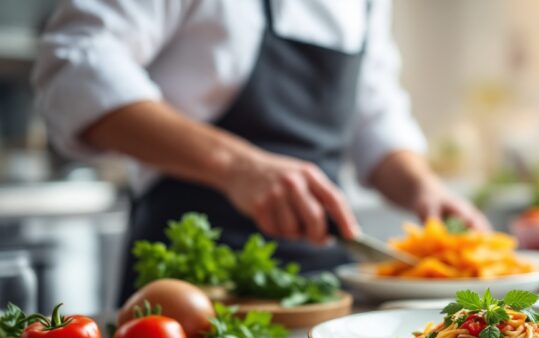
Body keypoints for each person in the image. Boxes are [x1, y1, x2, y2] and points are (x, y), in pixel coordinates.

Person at [32, 0, 490, 299]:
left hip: (325, 294)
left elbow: (375, 116)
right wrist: (236, 165)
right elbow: (73, 66)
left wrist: (423, 187)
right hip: (189, 287)